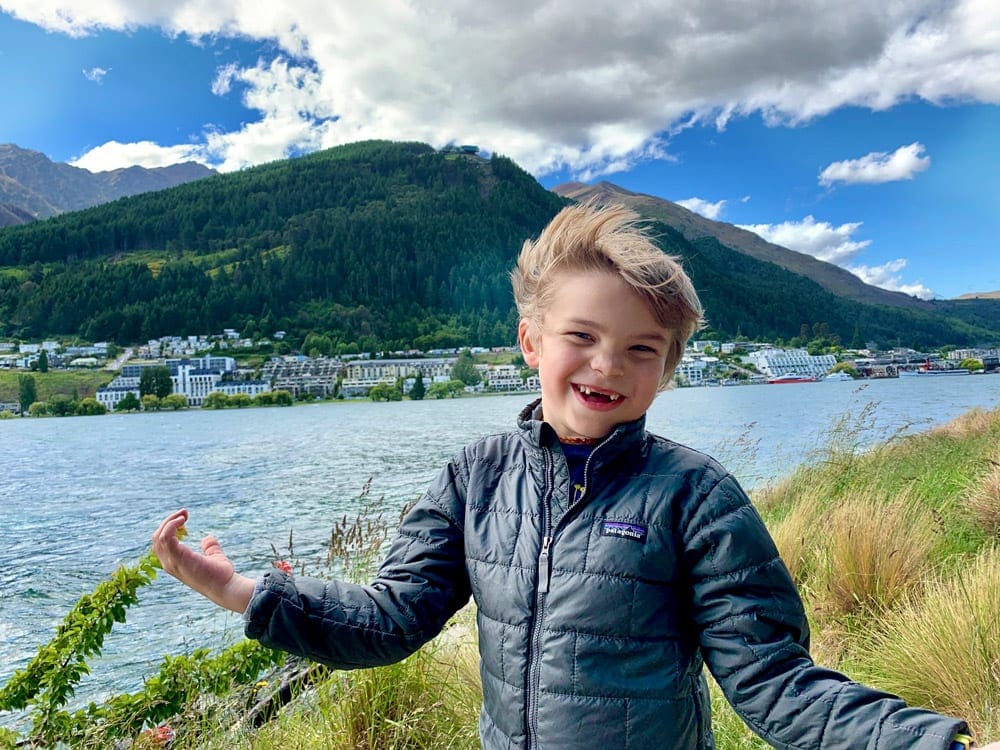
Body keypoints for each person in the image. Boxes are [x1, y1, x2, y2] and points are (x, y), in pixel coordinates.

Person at [153, 202, 997, 749]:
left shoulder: (695, 497)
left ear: (666, 370)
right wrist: (248, 593)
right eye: (581, 337)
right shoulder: (474, 478)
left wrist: (932, 745)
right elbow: (394, 619)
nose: (607, 365)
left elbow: (774, 683)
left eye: (641, 349)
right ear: (530, 342)